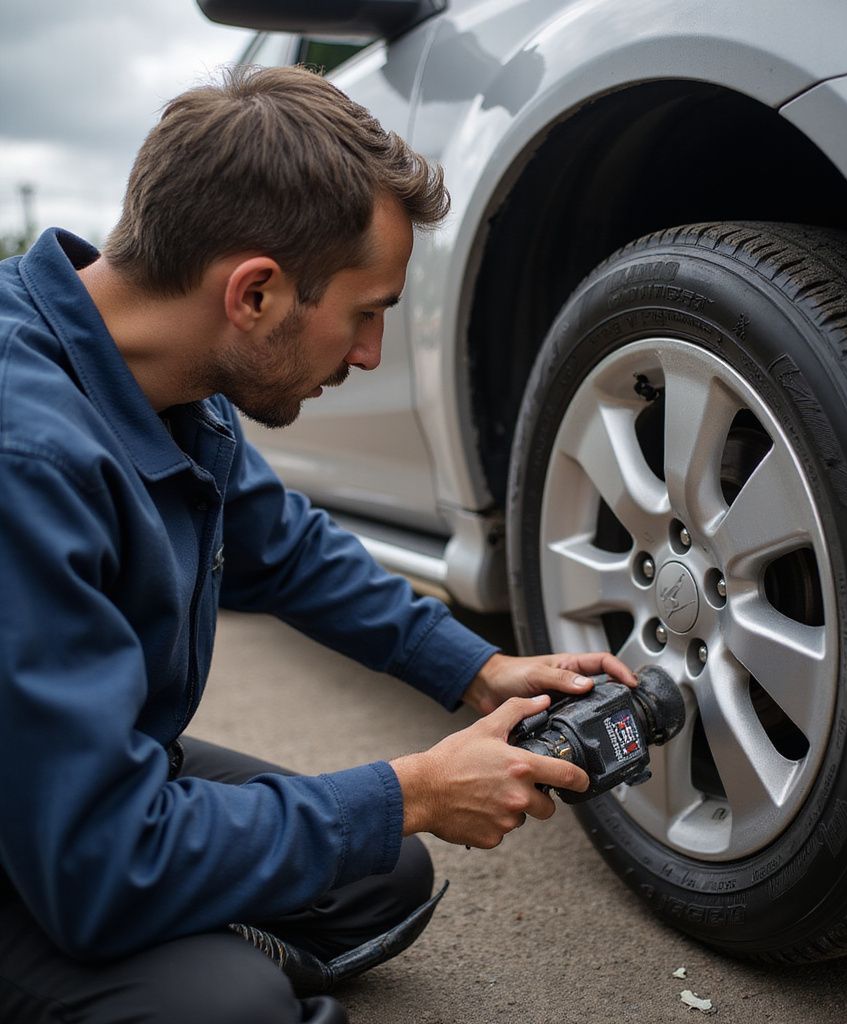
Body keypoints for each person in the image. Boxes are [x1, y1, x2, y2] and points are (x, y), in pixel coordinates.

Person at [0, 65, 634, 1023]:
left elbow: (284, 547)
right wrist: (414, 789)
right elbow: (101, 861)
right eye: (366, 311)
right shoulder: (28, 456)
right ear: (254, 293)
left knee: (379, 881)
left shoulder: (156, 371)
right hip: (60, 831)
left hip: (64, 775)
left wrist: (480, 669)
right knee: (237, 1004)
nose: (371, 353)